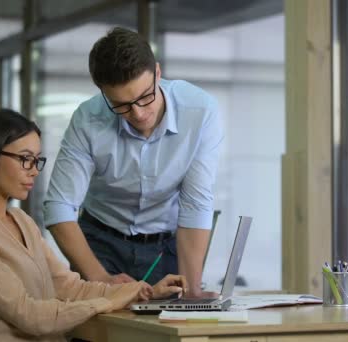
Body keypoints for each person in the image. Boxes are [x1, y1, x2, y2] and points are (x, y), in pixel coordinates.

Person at [0, 109, 186, 342]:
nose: (34, 171)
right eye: (25, 159)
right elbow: (28, 314)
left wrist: (144, 292)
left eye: (37, 160)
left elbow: (70, 287)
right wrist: (105, 303)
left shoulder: (22, 222)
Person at [44, 27, 223, 296]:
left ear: (158, 74)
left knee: (169, 327)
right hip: (100, 242)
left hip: (166, 246)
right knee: (99, 330)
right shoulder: (88, 119)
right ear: (103, 93)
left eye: (145, 97)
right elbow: (59, 207)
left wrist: (193, 293)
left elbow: (195, 205)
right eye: (122, 105)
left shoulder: (200, 112)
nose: (138, 114)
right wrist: (100, 277)